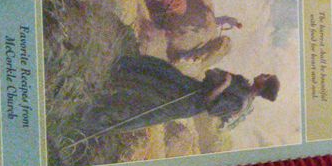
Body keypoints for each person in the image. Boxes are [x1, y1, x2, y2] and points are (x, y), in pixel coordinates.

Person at [78, 56, 280, 140]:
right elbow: (211, 73)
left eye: (266, 77)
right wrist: (219, 78)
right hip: (190, 87)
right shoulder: (243, 83)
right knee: (161, 71)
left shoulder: (241, 102)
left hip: (188, 102)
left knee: (144, 110)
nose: (262, 74)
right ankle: (117, 68)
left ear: (263, 86)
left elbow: (210, 105)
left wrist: (223, 85)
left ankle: (92, 122)